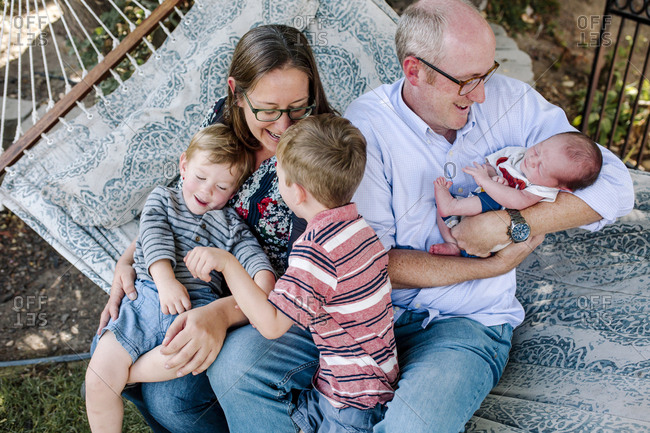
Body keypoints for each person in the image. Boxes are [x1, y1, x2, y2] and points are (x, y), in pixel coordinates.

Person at [341, 1, 634, 432]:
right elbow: (374, 266)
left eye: (487, 72)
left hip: (470, 325)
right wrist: (490, 265)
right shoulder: (367, 127)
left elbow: (615, 185)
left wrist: (515, 223)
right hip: (375, 318)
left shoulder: (510, 100)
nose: (480, 94)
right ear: (414, 70)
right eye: (467, 81)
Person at [97, 24, 335, 433]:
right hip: (194, 282)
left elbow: (307, 279)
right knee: (126, 347)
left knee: (171, 398)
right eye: (268, 110)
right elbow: (182, 200)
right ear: (236, 94)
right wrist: (130, 258)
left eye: (299, 106)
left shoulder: (322, 150)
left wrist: (222, 314)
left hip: (282, 306)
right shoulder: (223, 120)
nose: (285, 124)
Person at [185, 115, 398, 433]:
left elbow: (271, 325)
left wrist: (229, 264)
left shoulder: (314, 250)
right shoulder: (358, 227)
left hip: (351, 401)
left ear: (296, 193)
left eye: (280, 176)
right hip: (364, 380)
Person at [85, 124, 275, 433]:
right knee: (96, 382)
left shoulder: (232, 226)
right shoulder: (162, 199)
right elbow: (153, 235)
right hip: (145, 297)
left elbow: (255, 263)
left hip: (195, 311)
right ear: (184, 165)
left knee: (165, 365)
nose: (206, 191)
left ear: (236, 188)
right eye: (201, 177)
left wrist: (263, 282)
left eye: (222, 187)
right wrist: (165, 280)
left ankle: (126, 374)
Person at [431, 131, 602, 256]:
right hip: (476, 201)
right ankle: (451, 243)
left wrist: (487, 182)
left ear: (561, 186)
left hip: (495, 215)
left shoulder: (542, 188)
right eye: (538, 150)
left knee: (484, 199)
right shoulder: (517, 154)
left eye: (541, 167)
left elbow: (517, 201)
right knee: (440, 210)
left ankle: (452, 206)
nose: (532, 160)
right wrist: (492, 176)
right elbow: (492, 167)